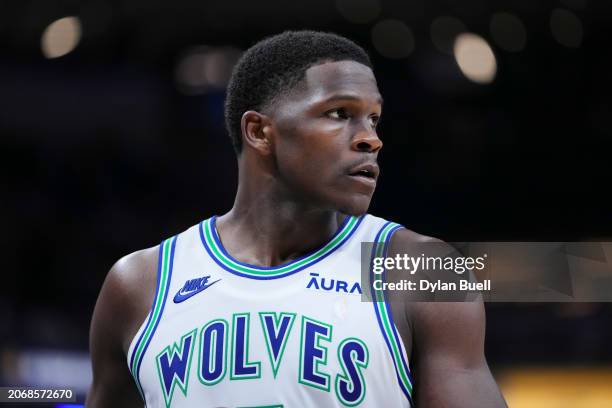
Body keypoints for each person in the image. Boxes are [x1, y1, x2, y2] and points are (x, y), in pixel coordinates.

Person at [86, 30, 506, 407]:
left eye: (373, 118)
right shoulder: (140, 284)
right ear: (260, 131)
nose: (370, 138)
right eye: (340, 113)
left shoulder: (420, 270)